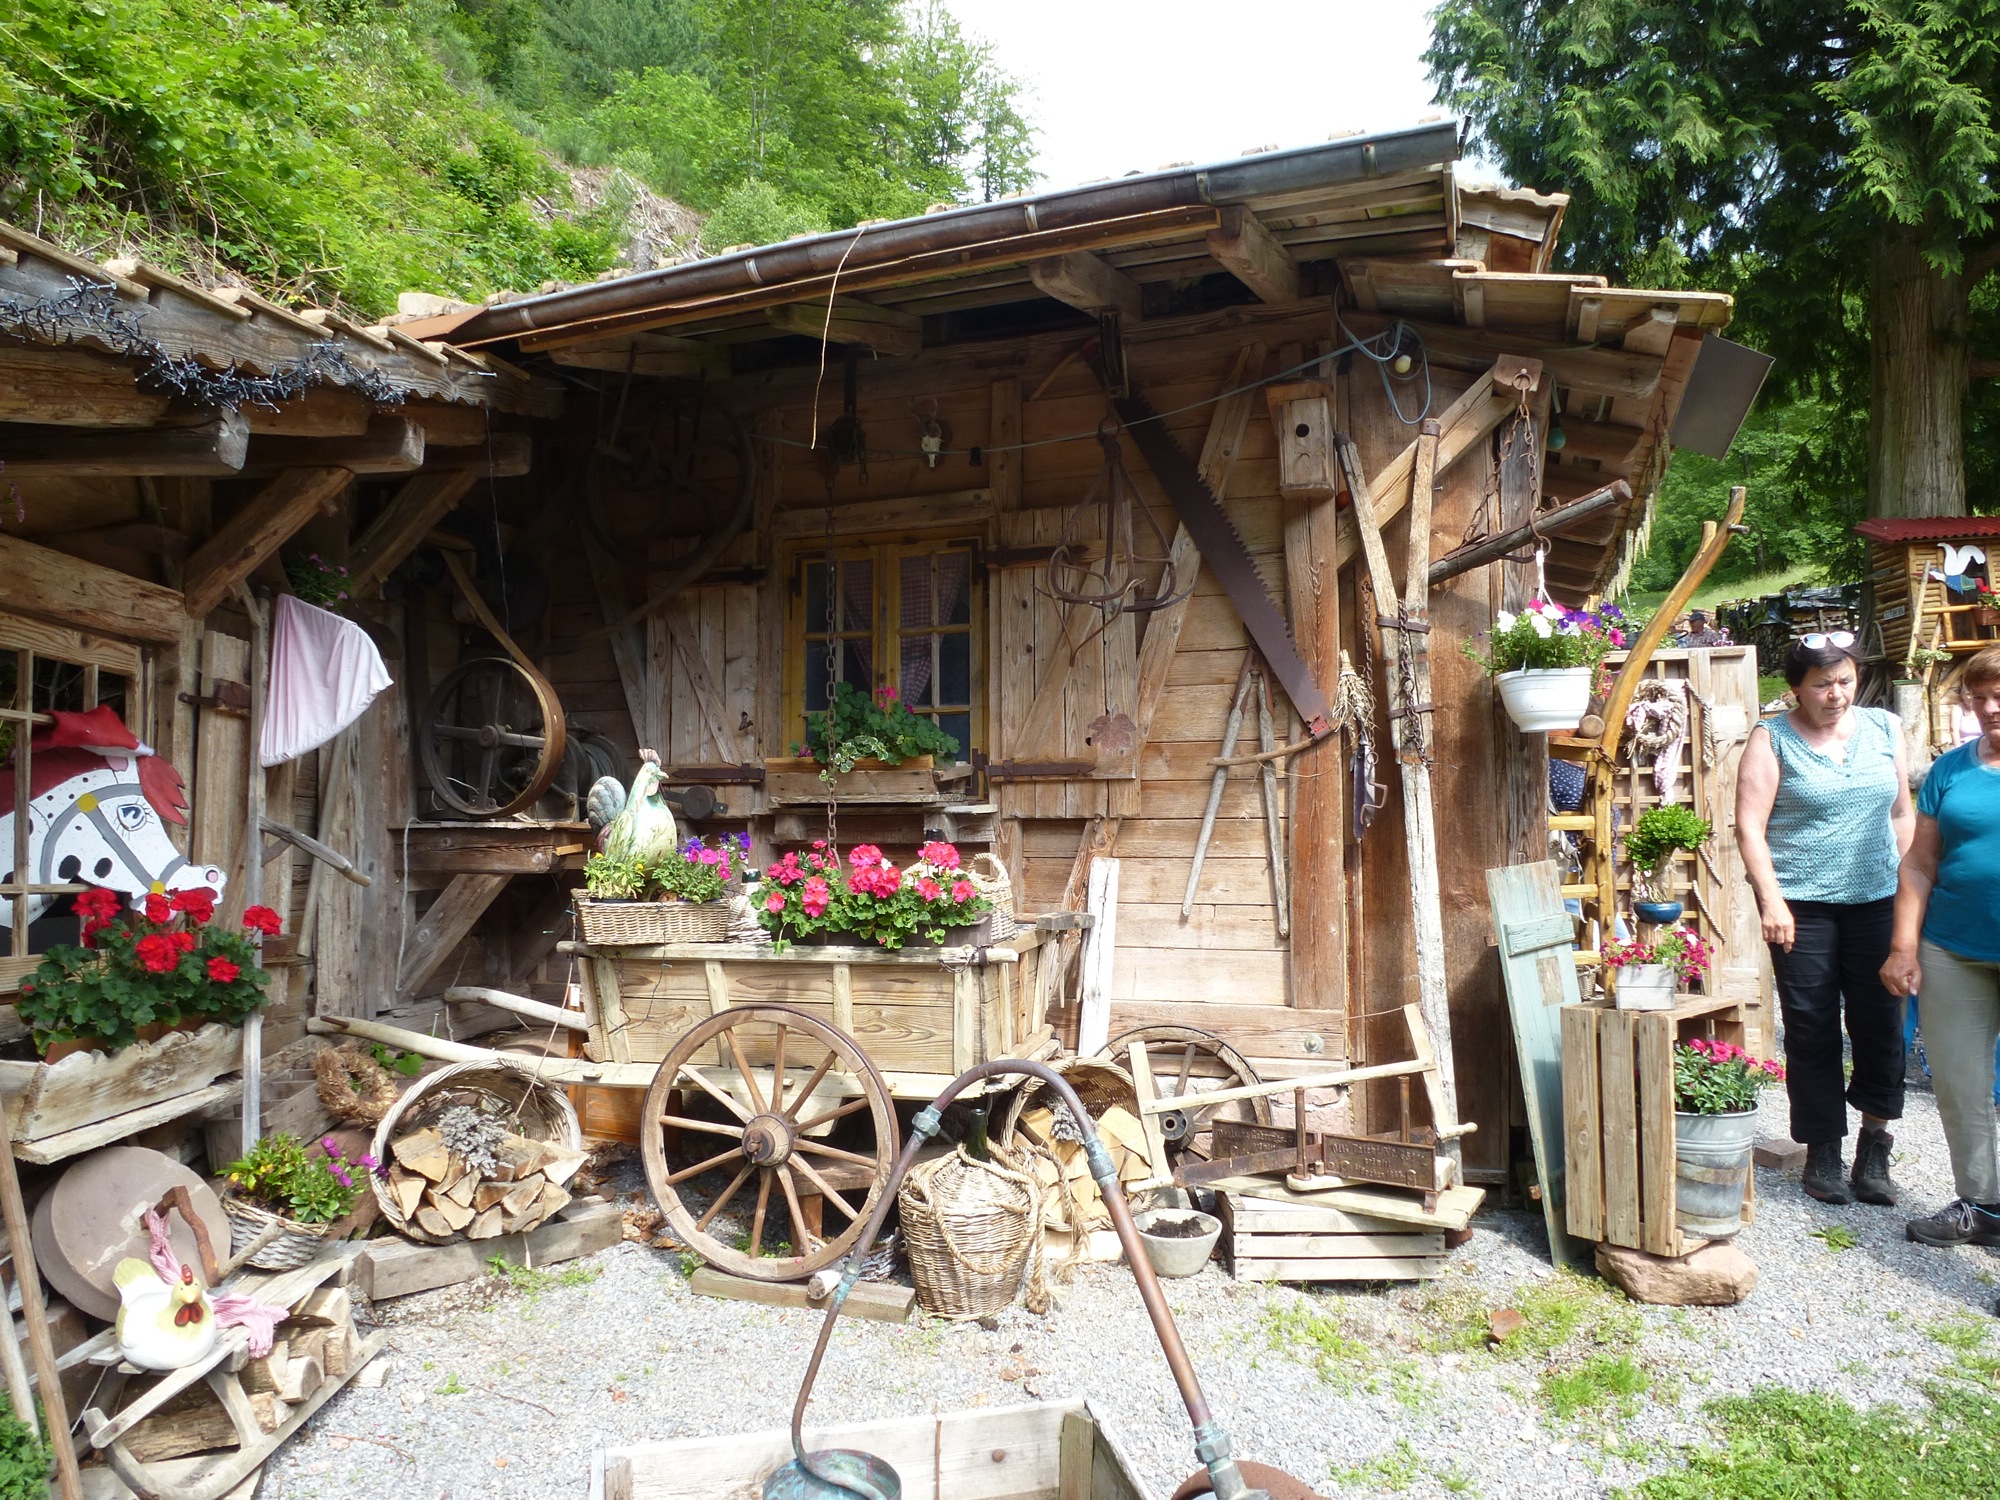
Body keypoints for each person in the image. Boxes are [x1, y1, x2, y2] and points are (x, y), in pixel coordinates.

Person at [1736, 631, 1915, 1204]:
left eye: (1844, 681)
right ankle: (1823, 1152)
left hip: (1877, 904)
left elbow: (1902, 813)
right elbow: (1750, 827)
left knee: (1881, 1022)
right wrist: (1771, 899)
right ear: (1796, 689)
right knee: (1811, 1027)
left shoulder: (1885, 729)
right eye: (1822, 684)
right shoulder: (1773, 739)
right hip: (1803, 909)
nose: (1836, 694)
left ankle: (1874, 1149)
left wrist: (1905, 889)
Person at [1881, 645, 2000, 1247]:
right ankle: (1984, 1205)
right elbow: (1920, 865)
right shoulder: (1951, 771)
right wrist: (1904, 947)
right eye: (1981, 697)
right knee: (1958, 1082)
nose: (1991, 708)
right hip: (1953, 949)